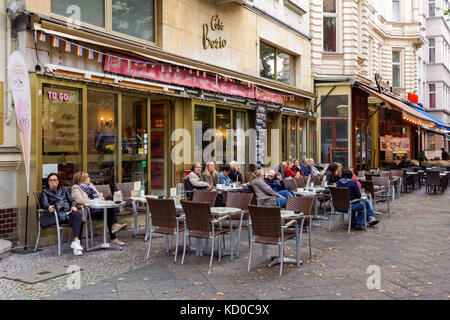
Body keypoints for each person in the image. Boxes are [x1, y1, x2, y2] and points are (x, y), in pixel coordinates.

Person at [71, 172, 127, 246]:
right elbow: (80, 200)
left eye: (88, 177)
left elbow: (100, 197)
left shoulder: (91, 186)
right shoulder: (75, 187)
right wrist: (94, 201)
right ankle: (114, 234)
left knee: (111, 208)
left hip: (99, 207)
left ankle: (114, 229)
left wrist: (99, 199)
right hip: (89, 210)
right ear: (81, 180)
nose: (89, 178)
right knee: (110, 211)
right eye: (86, 177)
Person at [41, 173, 84, 256]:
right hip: (58, 214)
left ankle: (76, 242)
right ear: (48, 182)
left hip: (69, 211)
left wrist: (74, 206)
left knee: (77, 215)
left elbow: (72, 200)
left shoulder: (63, 189)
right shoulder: (45, 192)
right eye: (51, 180)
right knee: (79, 220)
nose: (53, 182)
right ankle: (76, 244)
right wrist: (49, 206)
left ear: (58, 182)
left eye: (55, 180)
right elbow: (44, 203)